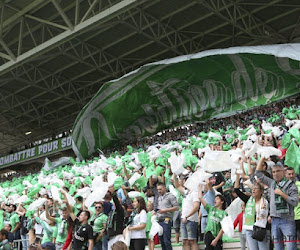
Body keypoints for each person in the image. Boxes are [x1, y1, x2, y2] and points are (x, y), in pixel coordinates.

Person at [255, 157, 299, 250]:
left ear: (283, 172)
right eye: (273, 172)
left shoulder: (291, 185)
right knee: (278, 247)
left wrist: (282, 194)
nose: (275, 174)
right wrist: (262, 158)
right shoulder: (272, 183)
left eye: (278, 171)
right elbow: (258, 173)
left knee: (291, 247)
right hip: (274, 220)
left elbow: (295, 202)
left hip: (287, 220)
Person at [234, 170, 269, 250]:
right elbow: (236, 190)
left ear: (261, 191)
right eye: (252, 188)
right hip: (249, 229)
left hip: (262, 229)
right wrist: (237, 176)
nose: (253, 190)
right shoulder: (249, 199)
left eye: (255, 189)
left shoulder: (266, 200)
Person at [198, 184, 227, 250]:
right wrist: (199, 188)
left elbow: (223, 228)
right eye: (215, 199)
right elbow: (200, 198)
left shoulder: (224, 213)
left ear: (222, 201)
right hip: (208, 234)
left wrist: (216, 239)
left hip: (217, 237)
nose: (215, 200)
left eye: (217, 199)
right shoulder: (210, 209)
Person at [156, 182, 179, 250]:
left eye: (160, 189)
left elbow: (176, 207)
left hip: (167, 219)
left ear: (164, 188)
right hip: (159, 220)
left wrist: (165, 210)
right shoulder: (159, 197)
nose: (159, 191)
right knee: (162, 241)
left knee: (166, 241)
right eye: (158, 189)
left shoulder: (170, 196)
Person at [285, 167, 300, 243]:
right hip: (288, 217)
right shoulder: (283, 186)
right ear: (285, 175)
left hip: (298, 216)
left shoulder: (299, 184)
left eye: (292, 173)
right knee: (291, 242)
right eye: (289, 174)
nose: (291, 175)